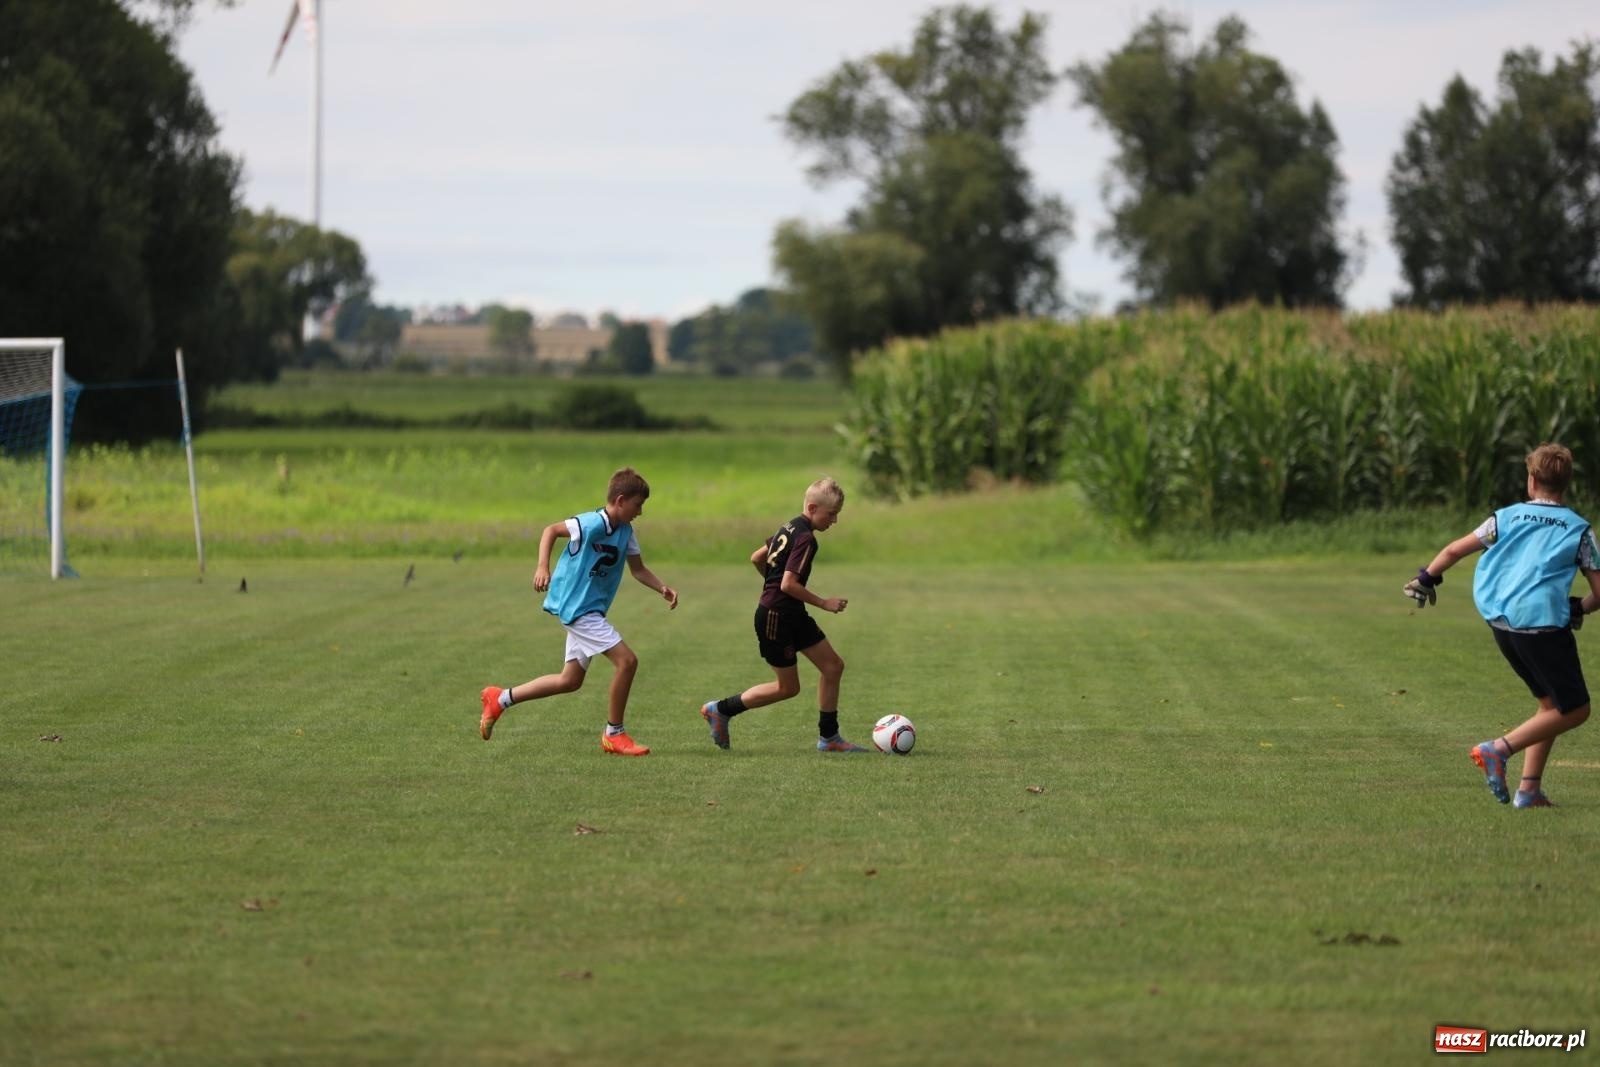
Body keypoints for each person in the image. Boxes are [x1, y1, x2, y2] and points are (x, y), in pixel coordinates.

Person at [1405, 443, 1600, 808]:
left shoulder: (1506, 517)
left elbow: (1454, 550)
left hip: (1502, 624)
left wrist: (1426, 579)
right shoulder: (1579, 529)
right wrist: (1580, 608)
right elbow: (1599, 592)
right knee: (1576, 709)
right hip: (1543, 628)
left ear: (1531, 481)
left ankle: (1529, 791)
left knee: (1550, 706)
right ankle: (1498, 749)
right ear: (1567, 484)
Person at [479, 467, 678, 755]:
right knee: (627, 662)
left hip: (591, 611)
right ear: (621, 500)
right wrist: (542, 566)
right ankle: (614, 734)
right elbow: (551, 530)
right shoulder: (590, 523)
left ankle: (500, 699)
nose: (640, 512)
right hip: (579, 610)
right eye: (638, 505)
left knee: (570, 680)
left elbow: (638, 569)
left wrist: (662, 588)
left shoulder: (626, 532)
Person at [700, 476, 867, 753]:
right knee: (788, 688)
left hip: (791, 612)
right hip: (775, 617)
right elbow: (788, 584)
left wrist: (772, 582)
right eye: (831, 514)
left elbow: (757, 557)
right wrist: (824, 603)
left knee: (833, 666)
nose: (834, 520)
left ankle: (829, 738)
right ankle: (720, 709)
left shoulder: (789, 526)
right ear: (812, 508)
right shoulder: (806, 538)